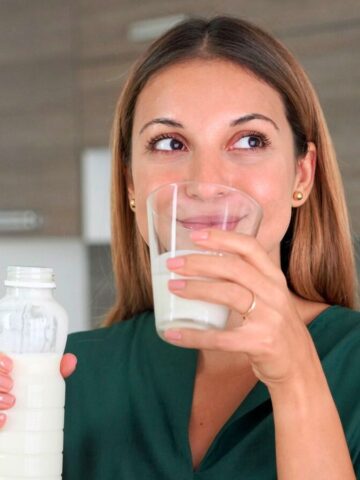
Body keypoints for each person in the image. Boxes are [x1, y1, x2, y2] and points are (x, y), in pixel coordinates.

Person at [0, 15, 359, 479]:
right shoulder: (66, 374)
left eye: (249, 140)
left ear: (302, 175)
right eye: (170, 143)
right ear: (131, 182)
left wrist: (297, 379)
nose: (205, 183)